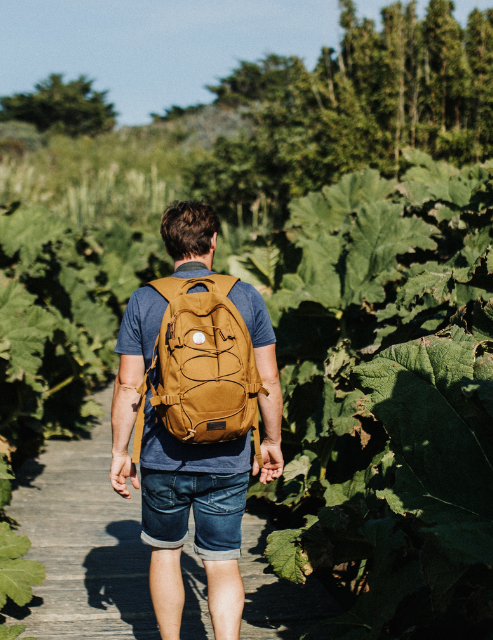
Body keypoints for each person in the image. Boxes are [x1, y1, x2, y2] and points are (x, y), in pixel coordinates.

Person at [109, 200, 285, 640]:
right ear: (213, 241)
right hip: (229, 454)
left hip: (163, 454)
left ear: (169, 243)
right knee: (222, 560)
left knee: (166, 554)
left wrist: (118, 453)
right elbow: (269, 379)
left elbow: (129, 386)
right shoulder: (244, 295)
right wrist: (272, 442)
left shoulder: (146, 299)